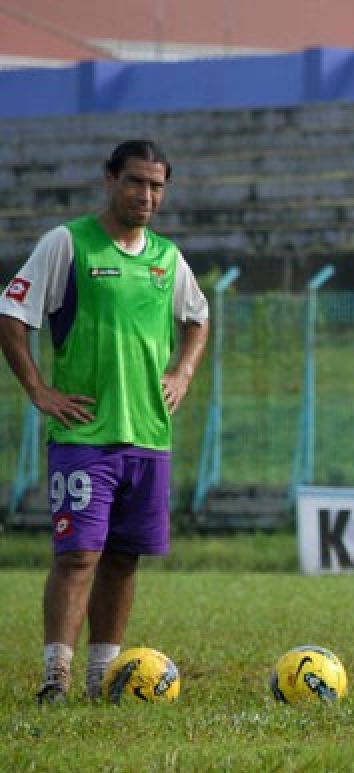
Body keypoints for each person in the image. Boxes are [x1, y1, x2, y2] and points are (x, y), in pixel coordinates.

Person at [0, 140, 210, 703]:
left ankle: (104, 675)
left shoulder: (167, 258)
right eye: (135, 182)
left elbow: (198, 318)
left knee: (122, 558)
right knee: (77, 555)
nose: (146, 195)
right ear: (110, 180)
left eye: (157, 186)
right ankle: (55, 678)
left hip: (147, 435)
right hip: (83, 434)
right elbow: (11, 313)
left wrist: (183, 374)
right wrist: (39, 390)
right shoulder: (67, 244)